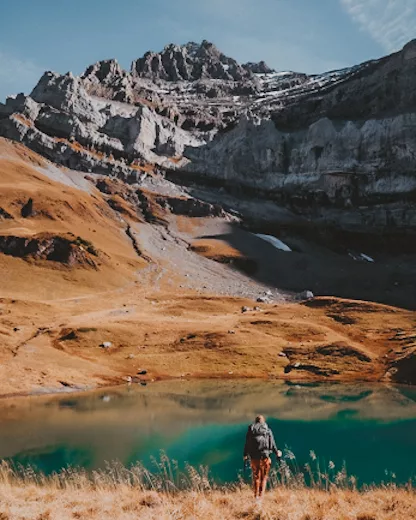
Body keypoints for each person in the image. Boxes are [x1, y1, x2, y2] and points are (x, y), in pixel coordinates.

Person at [243, 415, 282, 502]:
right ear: (263, 421)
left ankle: (256, 497)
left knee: (256, 477)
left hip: (254, 458)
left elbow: (247, 443)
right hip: (265, 457)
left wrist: (245, 455)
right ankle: (261, 497)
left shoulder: (251, 430)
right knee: (264, 477)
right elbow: (272, 444)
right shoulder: (267, 430)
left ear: (255, 421)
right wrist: (277, 453)